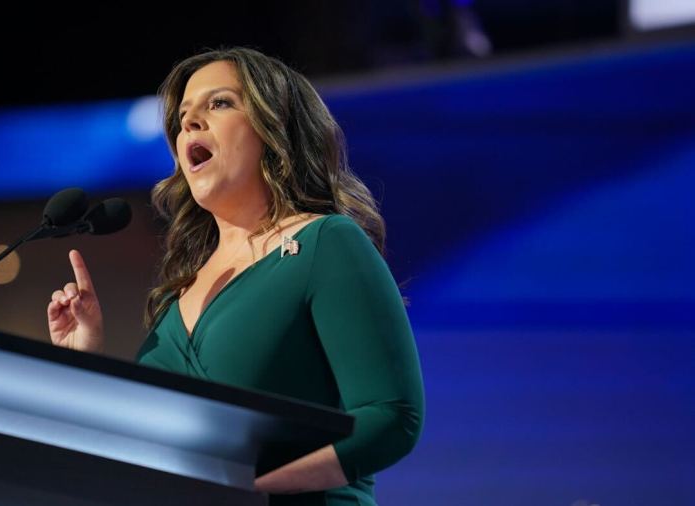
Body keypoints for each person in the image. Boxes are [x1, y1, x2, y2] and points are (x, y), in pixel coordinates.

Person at [46, 47, 424, 506]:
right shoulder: (175, 296)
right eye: (183, 115)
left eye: (219, 103)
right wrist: (85, 361)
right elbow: (139, 453)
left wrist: (255, 488)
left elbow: (392, 417)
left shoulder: (327, 243)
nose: (189, 123)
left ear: (274, 126)